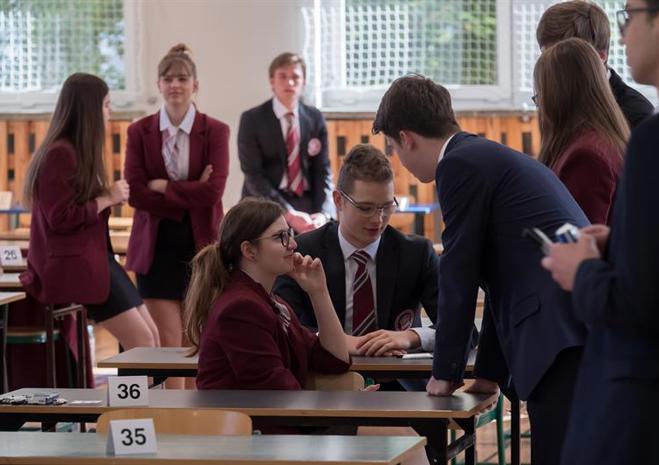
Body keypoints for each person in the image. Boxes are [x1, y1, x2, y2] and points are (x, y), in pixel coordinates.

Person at [373, 75, 590, 465]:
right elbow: (498, 278)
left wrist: (445, 373)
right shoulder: (482, 155)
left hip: (560, 333)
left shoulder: (458, 165)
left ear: (406, 138)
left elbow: (459, 272)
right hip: (572, 325)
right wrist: (488, 372)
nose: (398, 160)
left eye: (393, 147)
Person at [542, 2, 659, 463]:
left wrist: (583, 269)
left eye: (631, 16)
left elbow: (637, 303)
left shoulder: (647, 135)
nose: (624, 33)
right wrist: (622, 242)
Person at [20, 73, 159, 351]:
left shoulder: (78, 152)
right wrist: (107, 198)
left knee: (152, 336)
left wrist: (104, 196)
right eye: (106, 105)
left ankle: (144, 382)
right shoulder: (60, 154)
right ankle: (138, 383)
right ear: (89, 110)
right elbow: (61, 217)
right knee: (142, 341)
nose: (110, 112)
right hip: (76, 265)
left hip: (99, 259)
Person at [124, 44, 229, 384]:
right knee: (169, 341)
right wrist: (191, 190)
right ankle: (175, 412)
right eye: (167, 79)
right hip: (155, 247)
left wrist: (163, 186)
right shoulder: (139, 131)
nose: (175, 85)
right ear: (158, 84)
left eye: (182, 78)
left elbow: (213, 192)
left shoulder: (216, 130)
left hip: (200, 245)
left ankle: (193, 410)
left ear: (195, 85)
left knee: (194, 340)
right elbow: (135, 193)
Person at [275, 144, 441, 359]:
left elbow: (462, 329)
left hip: (398, 374)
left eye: (387, 206)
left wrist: (410, 336)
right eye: (365, 208)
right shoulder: (304, 251)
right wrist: (336, 340)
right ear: (338, 200)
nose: (378, 219)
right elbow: (281, 327)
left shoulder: (417, 253)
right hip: (325, 373)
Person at [185, 198, 349, 390]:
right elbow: (277, 390)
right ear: (249, 251)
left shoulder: (271, 301)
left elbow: (335, 360)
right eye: (280, 237)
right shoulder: (240, 308)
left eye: (289, 234)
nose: (293, 244)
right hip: (242, 411)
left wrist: (318, 291)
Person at [534, 37, 629, 224]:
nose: (539, 107)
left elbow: (579, 232)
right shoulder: (603, 139)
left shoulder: (586, 155)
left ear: (556, 97)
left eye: (539, 97)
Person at [238, 52, 334, 234]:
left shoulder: (315, 118)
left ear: (304, 82)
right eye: (282, 76)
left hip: (307, 202)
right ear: (272, 81)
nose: (289, 83)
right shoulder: (252, 119)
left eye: (295, 77)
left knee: (327, 234)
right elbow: (253, 176)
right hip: (264, 203)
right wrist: (288, 215)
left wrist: (323, 214)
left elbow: (323, 171)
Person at [536, 0, 653, 128]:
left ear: (600, 56)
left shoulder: (638, 117)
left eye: (560, 61)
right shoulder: (555, 104)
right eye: (545, 58)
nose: (550, 68)